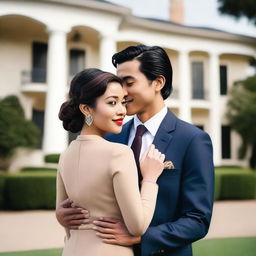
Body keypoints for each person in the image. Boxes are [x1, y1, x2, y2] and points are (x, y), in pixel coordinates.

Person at [56, 45, 215, 256]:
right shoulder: (110, 136)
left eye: (129, 83)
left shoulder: (193, 140)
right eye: (119, 83)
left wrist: (141, 237)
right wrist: (63, 213)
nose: (122, 91)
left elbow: (198, 220)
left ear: (158, 82)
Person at [56, 68, 166, 256]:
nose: (122, 111)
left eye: (123, 102)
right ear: (86, 109)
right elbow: (137, 226)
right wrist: (150, 179)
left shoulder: (66, 155)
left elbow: (64, 216)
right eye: (112, 103)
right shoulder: (119, 153)